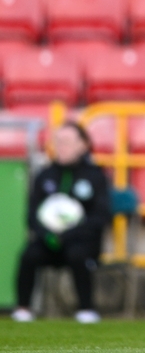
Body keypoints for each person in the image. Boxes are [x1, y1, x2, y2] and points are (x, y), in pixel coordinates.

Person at [11, 121, 111, 324]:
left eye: (67, 141)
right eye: (58, 141)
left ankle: (86, 309)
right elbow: (32, 215)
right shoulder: (45, 175)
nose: (61, 146)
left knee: (78, 255)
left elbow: (100, 217)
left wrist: (69, 234)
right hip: (49, 240)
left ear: (83, 145)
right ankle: (23, 308)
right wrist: (47, 234)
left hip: (81, 241)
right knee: (29, 254)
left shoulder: (96, 176)